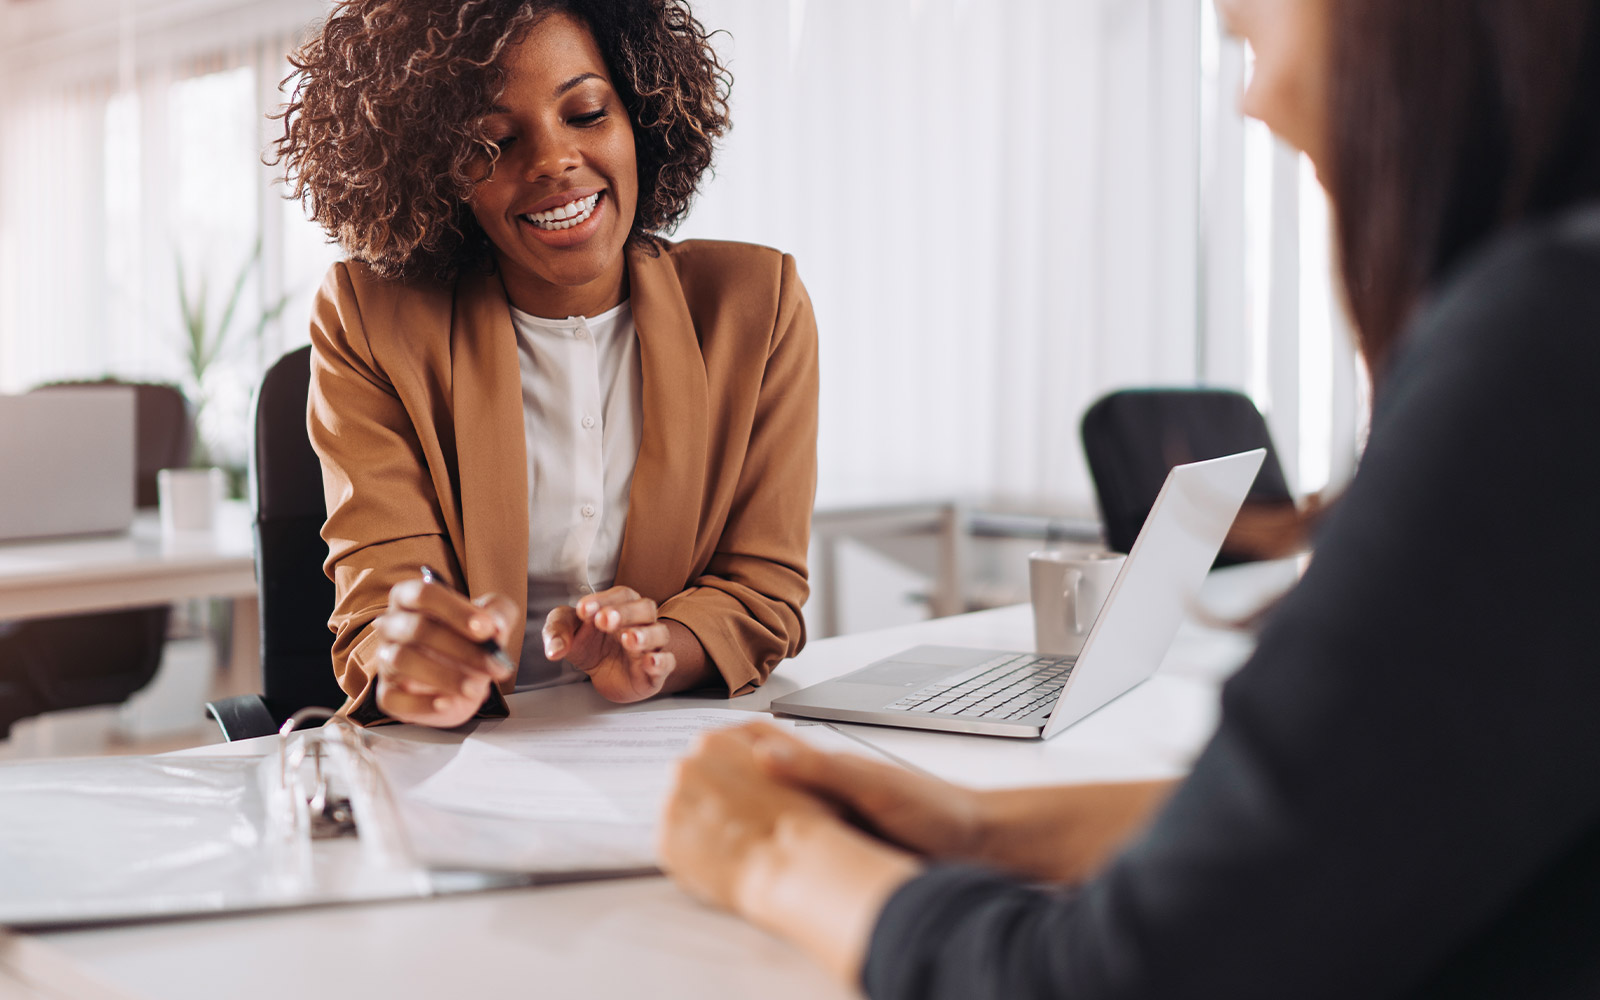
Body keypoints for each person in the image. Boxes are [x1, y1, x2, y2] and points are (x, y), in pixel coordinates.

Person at [658, 1, 1600, 996]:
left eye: (1249, 25)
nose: (1254, 97)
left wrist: (771, 856)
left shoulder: (1546, 348)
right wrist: (977, 827)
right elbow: (1367, 825)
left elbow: (1126, 978)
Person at [273, 0, 818, 728]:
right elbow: (381, 605)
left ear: (639, 115)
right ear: (435, 171)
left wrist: (661, 651)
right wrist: (412, 662)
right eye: (492, 140)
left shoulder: (756, 306)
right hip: (455, 766)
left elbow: (761, 588)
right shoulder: (369, 318)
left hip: (662, 747)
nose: (554, 161)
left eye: (587, 112)